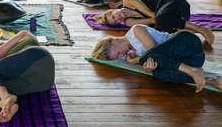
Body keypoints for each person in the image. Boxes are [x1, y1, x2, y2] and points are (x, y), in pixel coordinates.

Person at [90, 24, 221, 93]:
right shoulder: (131, 53)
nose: (121, 56)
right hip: (193, 60)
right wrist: (148, 68)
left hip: (186, 43)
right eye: (118, 57)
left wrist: (136, 61)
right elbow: (156, 60)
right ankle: (208, 79)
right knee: (157, 72)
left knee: (152, 56)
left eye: (118, 53)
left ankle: (193, 71)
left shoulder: (135, 31)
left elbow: (154, 51)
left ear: (114, 41)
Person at [0, 31, 55, 123]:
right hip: (43, 83)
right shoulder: (15, 62)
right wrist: (1, 63)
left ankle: (5, 96)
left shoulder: (25, 34)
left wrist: (0, 61)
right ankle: (5, 105)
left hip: (37, 55)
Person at [94, 0, 214, 45]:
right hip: (179, 17)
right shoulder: (129, 22)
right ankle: (192, 37)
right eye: (115, 21)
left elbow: (151, 14)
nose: (117, 18)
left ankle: (201, 29)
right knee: (160, 31)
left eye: (114, 15)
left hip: (174, 2)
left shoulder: (128, 0)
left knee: (161, 19)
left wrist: (160, 23)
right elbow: (152, 21)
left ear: (114, 9)